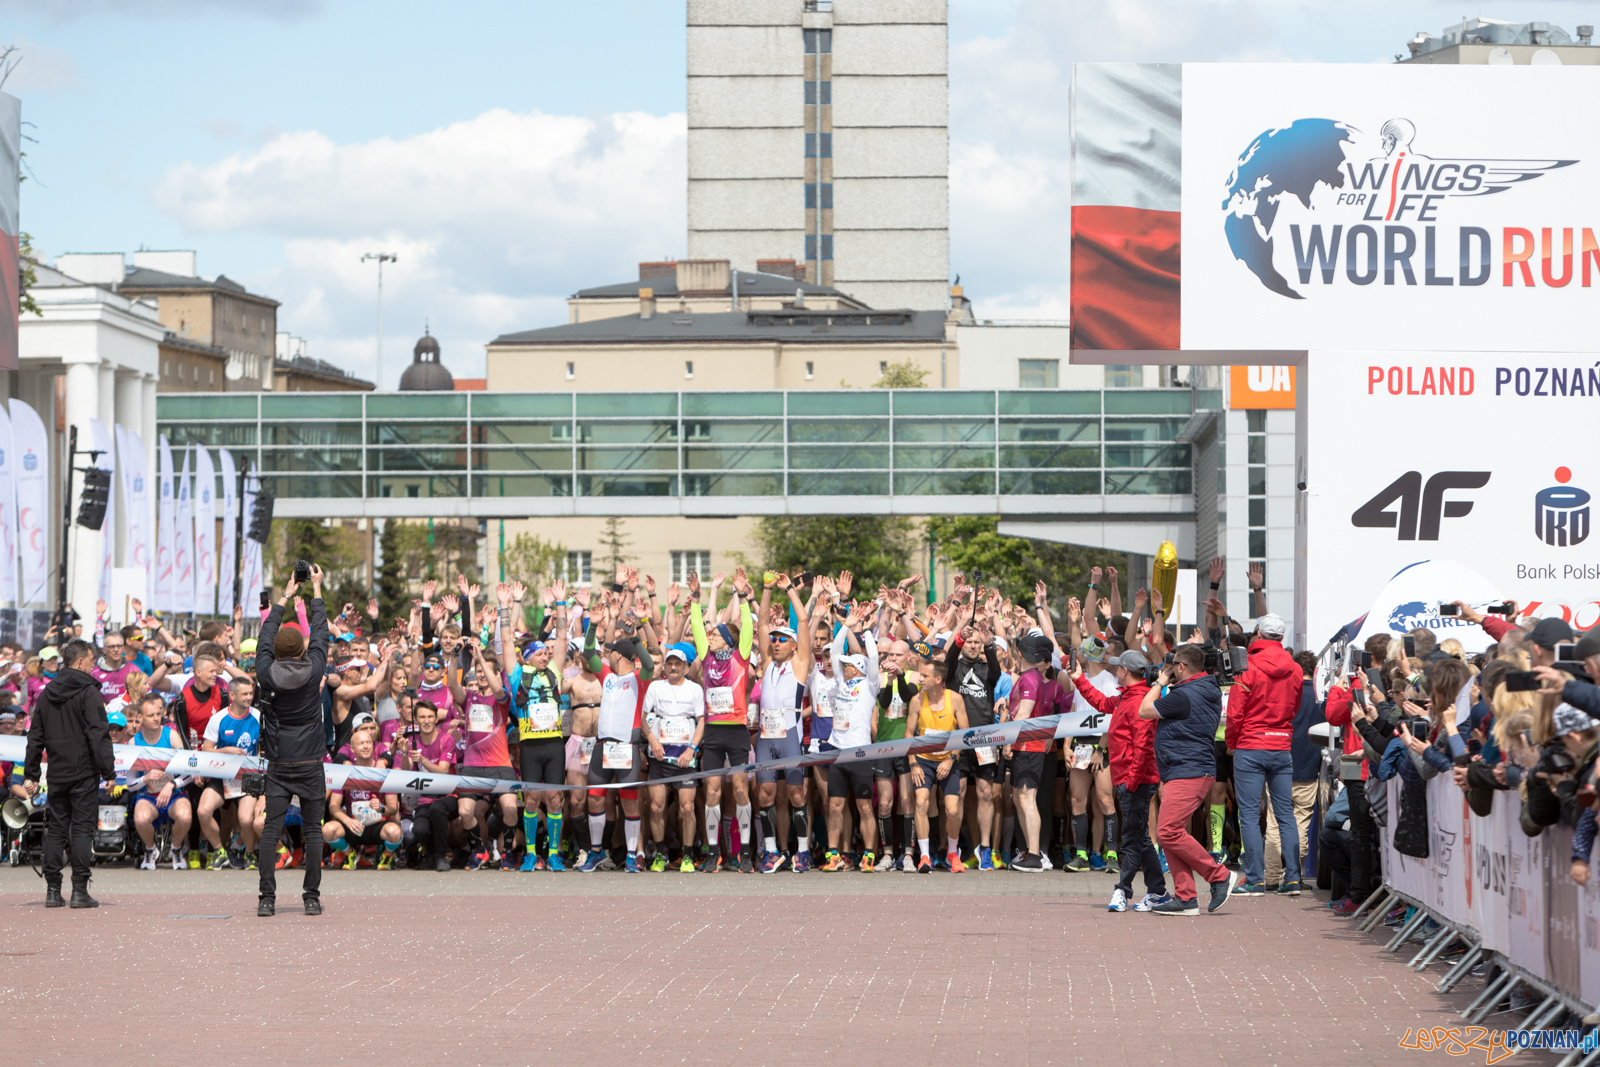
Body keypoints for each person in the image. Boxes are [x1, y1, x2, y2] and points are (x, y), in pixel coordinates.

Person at [1138, 644, 1240, 915]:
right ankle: (1186, 898)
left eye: (1174, 666)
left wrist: (1160, 682)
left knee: (1168, 832)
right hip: (1188, 768)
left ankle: (1218, 875)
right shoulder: (1208, 687)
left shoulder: (1182, 695)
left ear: (1181, 667)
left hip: (1188, 770)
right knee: (1170, 833)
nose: (1170, 670)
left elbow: (1144, 710)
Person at [254, 563, 332, 917]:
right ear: (301, 650)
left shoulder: (266, 671)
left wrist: (285, 594)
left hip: (278, 759)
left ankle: (267, 899)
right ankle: (311, 897)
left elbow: (266, 632)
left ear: (273, 650)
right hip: (310, 760)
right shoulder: (314, 667)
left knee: (271, 830)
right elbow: (321, 633)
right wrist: (316, 589)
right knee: (313, 830)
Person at [1069, 641, 1164, 913]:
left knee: (1132, 839)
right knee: (1141, 838)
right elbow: (1101, 702)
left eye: (1117, 668)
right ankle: (1157, 891)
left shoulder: (1139, 701)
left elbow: (1144, 747)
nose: (1115, 672)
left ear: (1124, 671)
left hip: (1137, 781)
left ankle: (1122, 890)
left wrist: (1130, 782)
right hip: (1130, 780)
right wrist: (1078, 680)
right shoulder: (1126, 697)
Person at [23, 639, 115, 909]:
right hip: (84, 770)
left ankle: (53, 891)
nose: (93, 665)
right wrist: (108, 771)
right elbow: (99, 733)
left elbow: (34, 735)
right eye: (90, 660)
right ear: (78, 662)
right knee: (82, 829)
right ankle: (79, 891)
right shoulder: (89, 692)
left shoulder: (47, 692)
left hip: (57, 771)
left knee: (56, 829)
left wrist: (31, 773)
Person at [1224, 612, 1304, 896]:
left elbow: (1235, 712)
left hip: (1250, 745)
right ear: (1281, 638)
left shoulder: (1247, 666)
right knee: (1285, 814)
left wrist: (1232, 741)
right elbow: (1293, 707)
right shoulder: (1294, 668)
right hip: (1281, 744)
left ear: (1257, 634)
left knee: (1248, 814)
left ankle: (1256, 879)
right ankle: (1293, 878)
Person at [640, 645, 705, 871]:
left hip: (685, 759)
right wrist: (653, 741)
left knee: (687, 808)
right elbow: (643, 719)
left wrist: (691, 749)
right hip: (660, 758)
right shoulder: (656, 687)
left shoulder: (695, 689)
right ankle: (660, 854)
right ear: (665, 667)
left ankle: (687, 856)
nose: (674, 667)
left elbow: (702, 722)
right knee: (656, 807)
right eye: (670, 664)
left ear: (686, 667)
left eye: (678, 664)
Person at [909, 653, 969, 873]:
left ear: (938, 680)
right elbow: (908, 734)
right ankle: (925, 856)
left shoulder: (954, 699)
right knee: (922, 802)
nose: (920, 679)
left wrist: (952, 758)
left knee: (952, 810)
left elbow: (964, 733)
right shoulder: (917, 699)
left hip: (948, 759)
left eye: (925, 676)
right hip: (923, 760)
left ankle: (953, 853)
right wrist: (913, 763)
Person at [198, 674, 263, 870]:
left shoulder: (259, 716)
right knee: (203, 810)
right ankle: (220, 850)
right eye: (244, 694)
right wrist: (225, 750)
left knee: (245, 819)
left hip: (248, 776)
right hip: (223, 774)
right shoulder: (218, 719)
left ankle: (250, 854)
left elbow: (266, 747)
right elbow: (206, 748)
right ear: (232, 695)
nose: (249, 697)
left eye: (251, 693)